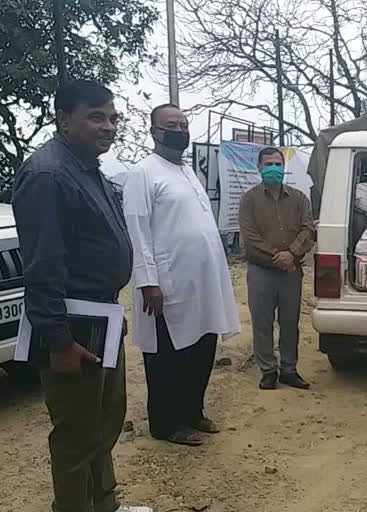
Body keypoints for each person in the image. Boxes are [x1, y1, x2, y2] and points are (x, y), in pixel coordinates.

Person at [12, 80, 151, 512]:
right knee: (76, 435)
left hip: (101, 317)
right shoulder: (48, 175)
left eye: (113, 118)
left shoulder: (87, 168)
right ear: (64, 120)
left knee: (103, 424)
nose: (109, 126)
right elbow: (43, 265)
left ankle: (104, 505)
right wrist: (59, 341)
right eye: (96, 117)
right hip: (73, 327)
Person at [121, 104, 240, 446]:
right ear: (154, 131)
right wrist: (148, 282)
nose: (179, 129)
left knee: (202, 348)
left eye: (184, 124)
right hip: (166, 285)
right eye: (170, 124)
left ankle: (192, 412)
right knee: (168, 356)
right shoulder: (143, 172)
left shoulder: (188, 171)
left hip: (202, 283)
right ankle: (165, 423)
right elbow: (137, 229)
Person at [239, 147, 315, 390]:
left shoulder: (299, 198)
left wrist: (291, 254)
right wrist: (278, 257)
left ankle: (289, 369)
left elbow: (308, 230)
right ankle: (268, 370)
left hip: (291, 271)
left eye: (278, 164)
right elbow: (249, 237)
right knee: (262, 321)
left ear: (284, 167)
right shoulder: (249, 199)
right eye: (269, 164)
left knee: (290, 322)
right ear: (259, 167)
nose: (274, 168)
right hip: (261, 270)